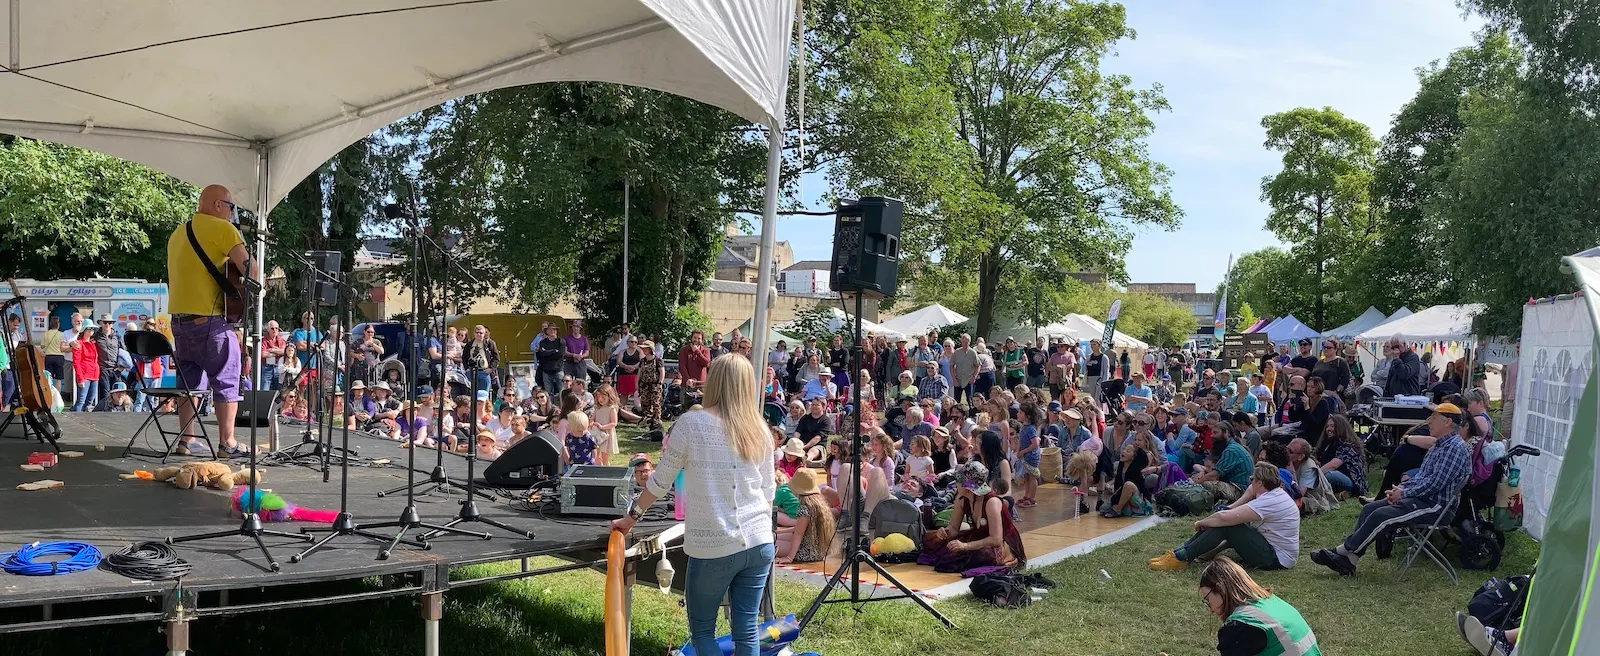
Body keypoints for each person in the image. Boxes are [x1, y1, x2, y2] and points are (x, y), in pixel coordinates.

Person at [612, 354, 776, 656]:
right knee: (746, 629)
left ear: (713, 381)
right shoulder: (760, 429)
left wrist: (631, 517)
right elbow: (768, 489)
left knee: (702, 631)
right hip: (760, 540)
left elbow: (660, 481)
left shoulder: (692, 423)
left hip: (716, 542)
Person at [1310, 402, 1472, 577]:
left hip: (1435, 507)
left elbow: (1435, 483)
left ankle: (1343, 550)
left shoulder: (1455, 448)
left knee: (1381, 515)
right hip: (1422, 500)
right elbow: (1422, 477)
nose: (1429, 422)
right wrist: (1400, 489)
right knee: (1370, 508)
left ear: (1447, 422)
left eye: (1433, 418)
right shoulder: (1439, 446)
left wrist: (1404, 493)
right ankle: (1350, 561)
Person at [164, 185, 256, 456]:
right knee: (227, 377)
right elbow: (252, 270)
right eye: (231, 207)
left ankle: (186, 440)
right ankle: (228, 443)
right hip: (209, 322)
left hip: (179, 321)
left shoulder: (178, 233)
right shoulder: (223, 229)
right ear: (218, 205)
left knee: (189, 382)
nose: (232, 213)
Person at [1151, 462, 1300, 571]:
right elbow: (1245, 496)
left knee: (1225, 525)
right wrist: (1223, 513)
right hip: (1276, 552)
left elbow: (1224, 518)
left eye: (1252, 479)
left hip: (1276, 559)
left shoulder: (1269, 501)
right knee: (1223, 522)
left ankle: (1181, 557)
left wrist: (1202, 522)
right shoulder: (1274, 494)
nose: (1250, 482)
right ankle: (1179, 553)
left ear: (1260, 483)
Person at [1180, 557, 1322, 656]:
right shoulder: (1271, 601)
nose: (1210, 609)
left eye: (1207, 600)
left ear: (1220, 589)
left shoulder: (1240, 626)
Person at [774, 469, 834, 565]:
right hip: (817, 548)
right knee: (774, 537)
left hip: (808, 552)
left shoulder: (804, 508)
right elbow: (799, 528)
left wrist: (789, 558)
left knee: (770, 544)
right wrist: (778, 532)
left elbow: (799, 534)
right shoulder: (818, 503)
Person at [462, 324, 500, 395]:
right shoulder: (469, 344)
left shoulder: (490, 343)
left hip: (484, 372)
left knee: (483, 395)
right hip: (471, 372)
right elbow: (464, 358)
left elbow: (496, 358)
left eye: (481, 333)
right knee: (471, 395)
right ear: (474, 333)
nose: (479, 334)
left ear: (484, 333)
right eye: (477, 332)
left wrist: (491, 369)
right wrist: (467, 369)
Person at [636, 340, 665, 429]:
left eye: (645, 348)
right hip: (644, 385)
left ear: (650, 349)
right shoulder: (642, 361)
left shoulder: (658, 360)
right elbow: (639, 373)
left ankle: (657, 421)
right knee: (645, 403)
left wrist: (660, 383)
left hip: (655, 385)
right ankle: (647, 420)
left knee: (656, 403)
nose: (643, 350)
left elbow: (662, 372)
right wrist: (637, 384)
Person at [533, 324, 565, 397]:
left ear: (557, 331)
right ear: (546, 331)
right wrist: (553, 351)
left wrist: (547, 352)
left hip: (558, 370)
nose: (552, 331)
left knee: (562, 392)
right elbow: (541, 354)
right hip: (546, 371)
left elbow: (560, 354)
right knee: (547, 393)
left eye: (554, 329)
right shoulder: (542, 342)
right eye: (550, 329)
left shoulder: (561, 341)